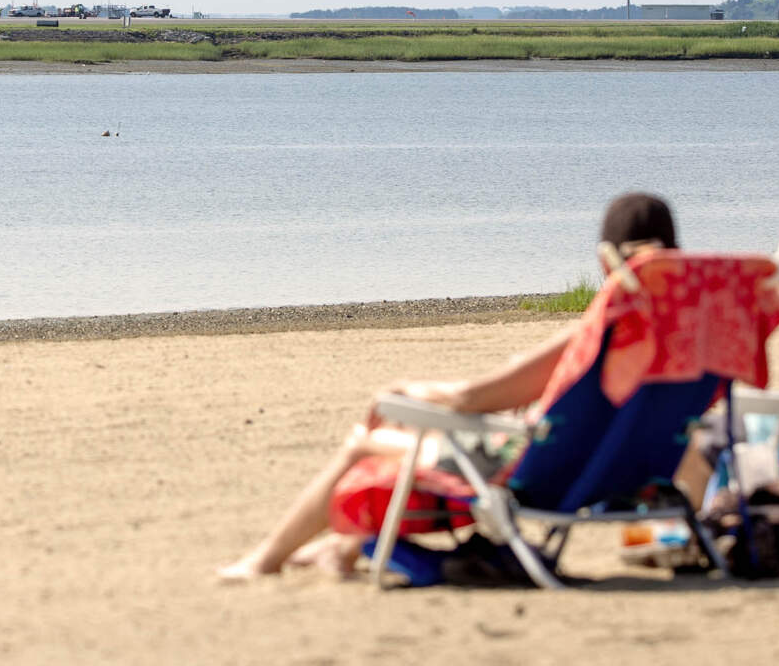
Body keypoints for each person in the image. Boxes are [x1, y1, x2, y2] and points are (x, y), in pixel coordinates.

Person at [216, 192, 681, 581]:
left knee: (366, 444)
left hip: (540, 471)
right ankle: (340, 548)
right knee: (431, 432)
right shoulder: (692, 342)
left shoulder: (603, 334)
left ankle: (266, 559)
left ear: (606, 260)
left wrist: (407, 390)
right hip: (630, 473)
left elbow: (471, 398)